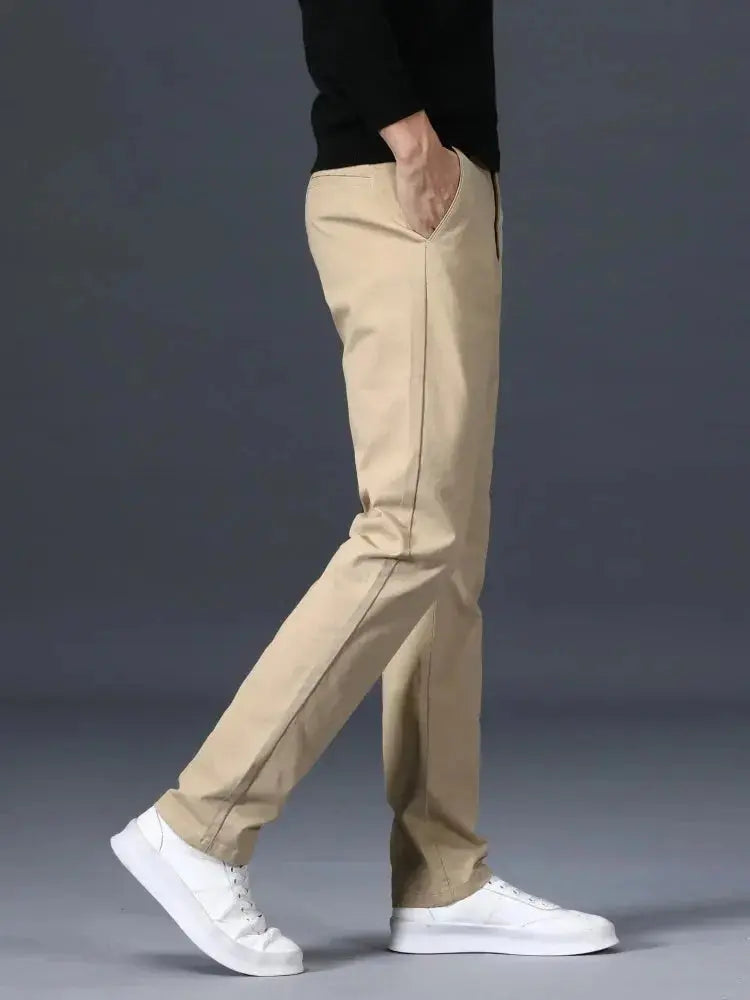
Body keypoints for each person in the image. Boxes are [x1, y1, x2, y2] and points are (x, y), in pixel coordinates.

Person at [111, 0, 618, 976]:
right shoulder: (406, 153)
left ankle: (441, 877)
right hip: (402, 177)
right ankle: (200, 822)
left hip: (451, 184)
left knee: (448, 559)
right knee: (410, 532)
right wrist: (409, 135)